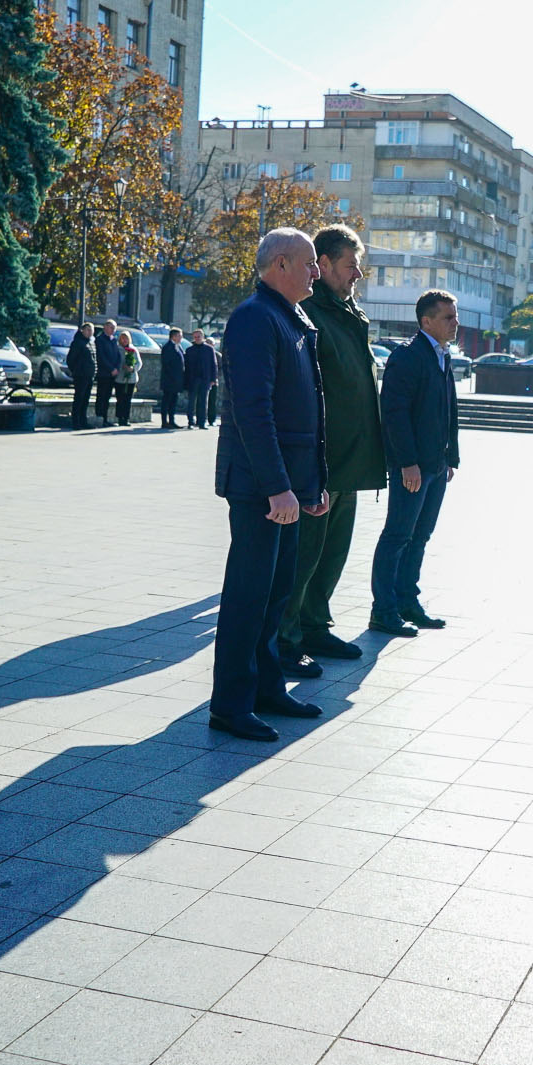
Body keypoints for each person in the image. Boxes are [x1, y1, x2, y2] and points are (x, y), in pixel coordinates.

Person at [210, 229, 330, 741]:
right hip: (261, 487)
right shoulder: (254, 318)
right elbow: (254, 414)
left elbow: (307, 411)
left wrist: (310, 485)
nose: (316, 273)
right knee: (248, 596)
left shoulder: (291, 317)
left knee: (276, 594)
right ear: (280, 263)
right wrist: (279, 488)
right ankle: (230, 704)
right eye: (308, 264)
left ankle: (265, 687)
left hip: (286, 487)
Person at [279, 226, 384, 668]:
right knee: (304, 555)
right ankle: (285, 639)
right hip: (321, 461)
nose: (357, 273)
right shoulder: (310, 312)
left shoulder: (348, 311)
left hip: (352, 457)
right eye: (349, 265)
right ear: (322, 265)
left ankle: (316, 627)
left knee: (333, 553)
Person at [370, 290, 462, 636]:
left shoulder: (442, 355)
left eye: (454, 317)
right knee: (398, 535)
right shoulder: (408, 357)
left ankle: (408, 601)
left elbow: (449, 408)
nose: (456, 324)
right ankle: (384, 610)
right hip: (413, 468)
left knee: (420, 536)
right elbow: (394, 415)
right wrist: (407, 463)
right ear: (427, 321)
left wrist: (451, 456)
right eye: (448, 318)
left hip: (436, 466)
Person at [183, 328, 219, 430]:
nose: (197, 338)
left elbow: (214, 365)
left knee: (203, 402)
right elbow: (186, 367)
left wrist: (213, 379)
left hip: (205, 379)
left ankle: (202, 422)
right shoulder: (189, 350)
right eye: (195, 337)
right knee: (191, 402)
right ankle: (190, 422)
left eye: (199, 336)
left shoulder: (209, 349)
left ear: (202, 337)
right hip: (192, 379)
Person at [67, 322, 97, 429]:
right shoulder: (77, 342)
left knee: (86, 400)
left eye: (91, 330)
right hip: (80, 375)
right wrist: (76, 371)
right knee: (79, 399)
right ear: (82, 330)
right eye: (88, 330)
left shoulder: (91, 342)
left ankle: (83, 421)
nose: (90, 332)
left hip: (89, 375)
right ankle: (76, 421)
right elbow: (71, 359)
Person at [159, 326, 188, 429]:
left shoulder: (178, 346)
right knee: (166, 401)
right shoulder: (168, 347)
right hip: (169, 380)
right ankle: (164, 421)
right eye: (179, 336)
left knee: (173, 402)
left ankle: (171, 420)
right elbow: (166, 364)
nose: (181, 338)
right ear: (174, 336)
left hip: (177, 380)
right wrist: (173, 377)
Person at [93, 317, 120, 426]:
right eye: (111, 327)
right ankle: (99, 417)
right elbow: (101, 357)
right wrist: (111, 369)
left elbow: (118, 356)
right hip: (104, 373)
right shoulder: (100, 340)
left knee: (108, 396)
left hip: (112, 374)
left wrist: (116, 368)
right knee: (101, 396)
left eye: (114, 328)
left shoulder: (114, 340)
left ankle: (105, 418)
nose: (113, 330)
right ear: (105, 327)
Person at [111, 329, 139, 425]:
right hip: (120, 378)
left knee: (128, 399)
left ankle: (126, 418)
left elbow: (139, 363)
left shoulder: (133, 350)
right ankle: (119, 418)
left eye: (126, 338)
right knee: (120, 399)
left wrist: (132, 368)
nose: (124, 341)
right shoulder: (117, 349)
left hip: (131, 379)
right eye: (122, 338)